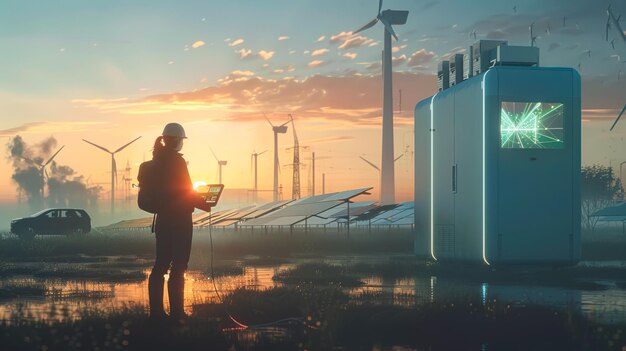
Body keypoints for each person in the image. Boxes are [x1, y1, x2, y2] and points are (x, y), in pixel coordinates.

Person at [147, 122, 212, 321]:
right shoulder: (177, 162)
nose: (181, 143)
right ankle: (177, 313)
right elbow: (185, 192)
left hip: (162, 220)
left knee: (160, 265)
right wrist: (205, 203)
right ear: (175, 140)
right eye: (181, 140)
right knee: (179, 265)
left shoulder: (155, 161)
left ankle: (157, 314)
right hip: (180, 220)